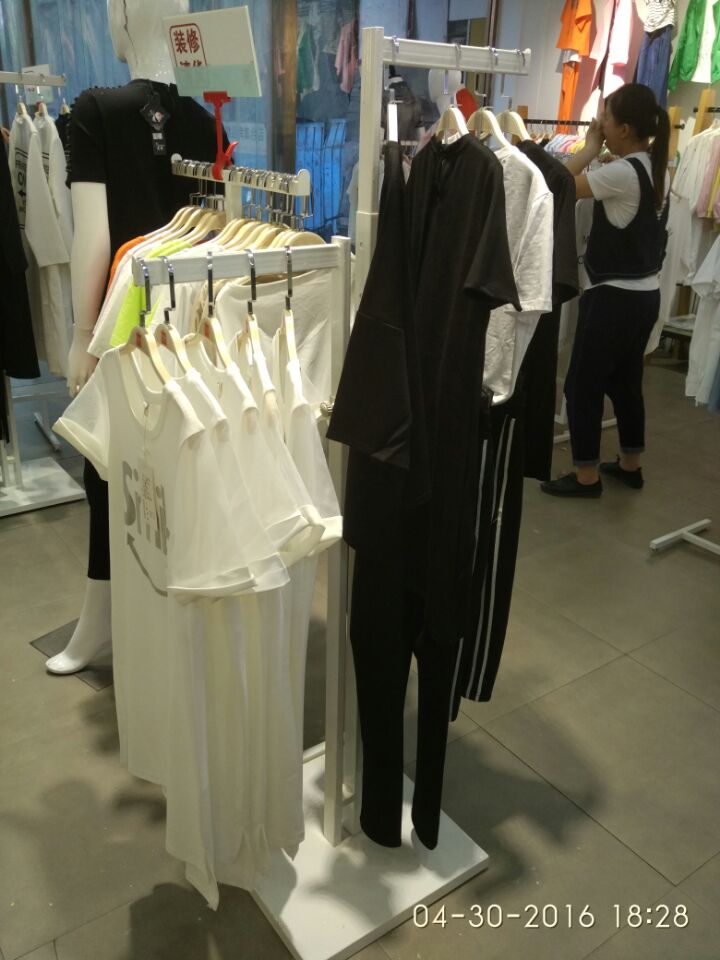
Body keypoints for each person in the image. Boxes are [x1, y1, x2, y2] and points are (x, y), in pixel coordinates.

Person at [541, 82, 670, 498]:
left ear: (625, 129)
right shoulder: (654, 167)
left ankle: (586, 477)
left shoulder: (621, 174)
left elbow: (559, 184)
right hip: (645, 295)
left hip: (613, 297)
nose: (601, 125)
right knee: (626, 381)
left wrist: (591, 147)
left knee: (582, 384)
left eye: (606, 120)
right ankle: (631, 464)